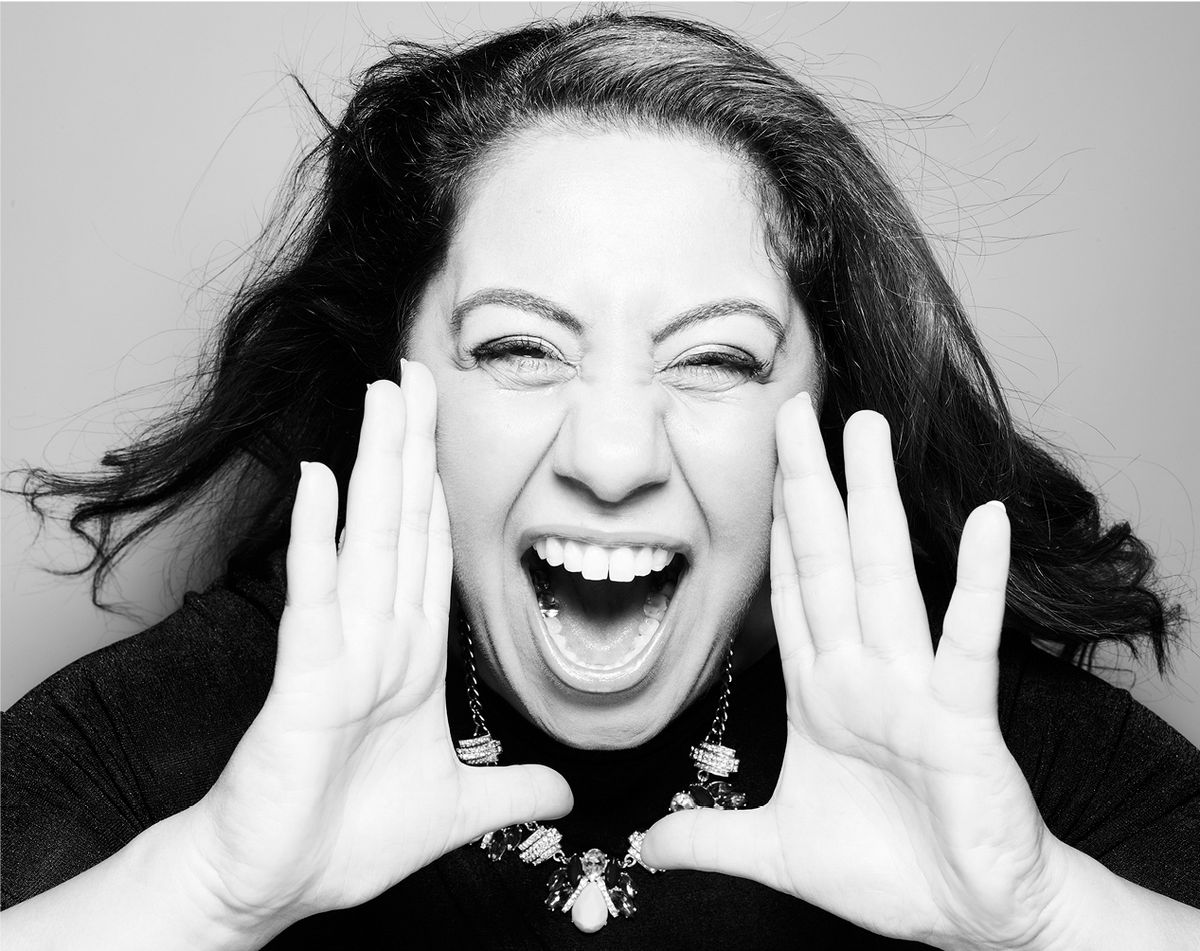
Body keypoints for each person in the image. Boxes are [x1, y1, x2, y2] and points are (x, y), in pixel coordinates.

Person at [2, 11, 1198, 949]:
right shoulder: (190, 718)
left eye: (718, 358)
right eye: (520, 348)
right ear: (397, 381)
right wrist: (207, 891)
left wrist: (1044, 922)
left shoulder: (985, 744)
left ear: (823, 410)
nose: (614, 458)